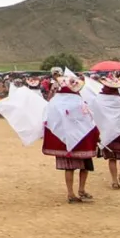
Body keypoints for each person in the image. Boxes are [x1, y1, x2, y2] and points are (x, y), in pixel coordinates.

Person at [42, 75, 98, 203]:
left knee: (70, 168)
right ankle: (81, 190)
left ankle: (71, 193)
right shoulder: (79, 102)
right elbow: (89, 120)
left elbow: (50, 120)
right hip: (83, 139)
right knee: (84, 166)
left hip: (65, 140)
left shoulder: (55, 103)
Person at [91, 75, 120, 189]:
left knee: (112, 158)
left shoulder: (98, 99)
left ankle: (114, 180)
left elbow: (94, 113)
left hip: (107, 131)